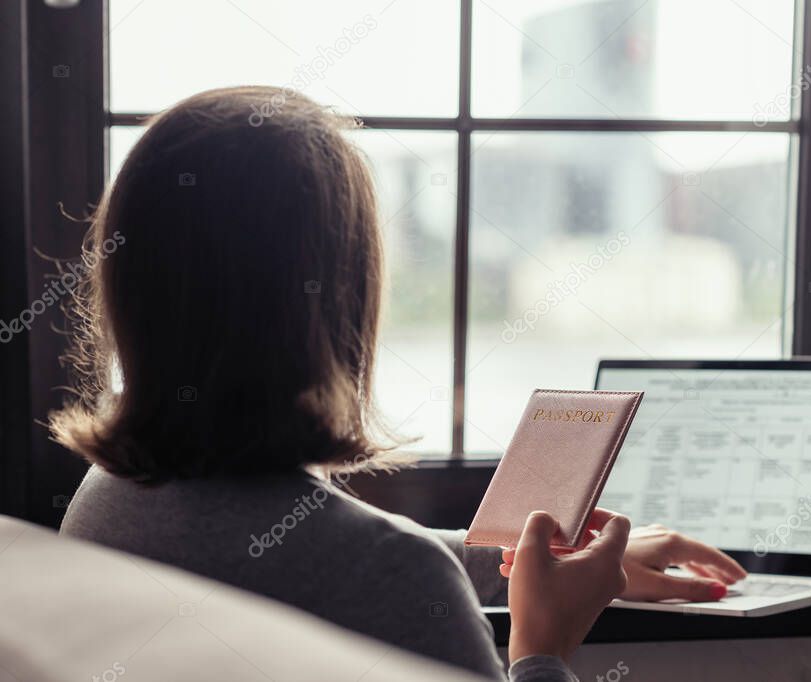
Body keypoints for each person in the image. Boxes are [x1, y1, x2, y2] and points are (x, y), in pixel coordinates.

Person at [55, 87, 746, 681]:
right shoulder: (393, 577)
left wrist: (503, 558)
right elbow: (373, 567)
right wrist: (542, 648)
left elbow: (329, 556)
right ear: (341, 297)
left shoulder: (105, 502)